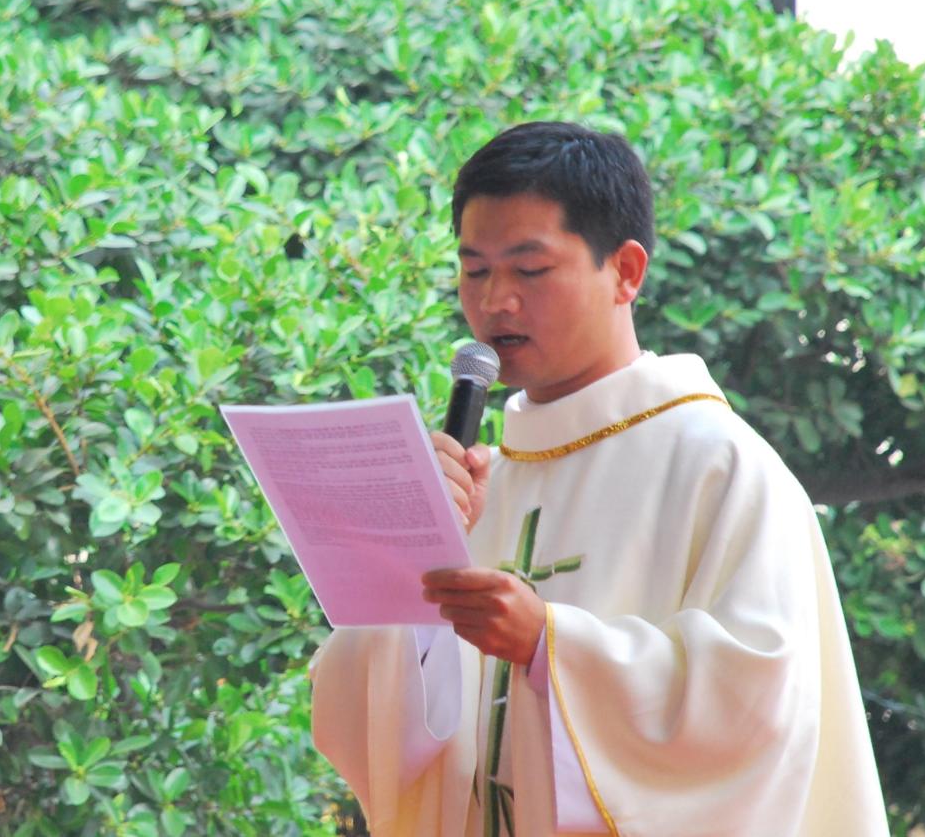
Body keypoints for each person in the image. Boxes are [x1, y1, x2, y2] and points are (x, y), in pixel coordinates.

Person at [309, 122, 888, 836]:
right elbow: (355, 721)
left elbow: (760, 707)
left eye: (529, 270)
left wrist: (548, 645)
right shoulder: (478, 478)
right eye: (475, 270)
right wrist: (410, 561)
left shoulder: (721, 466)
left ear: (626, 271)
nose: (495, 302)